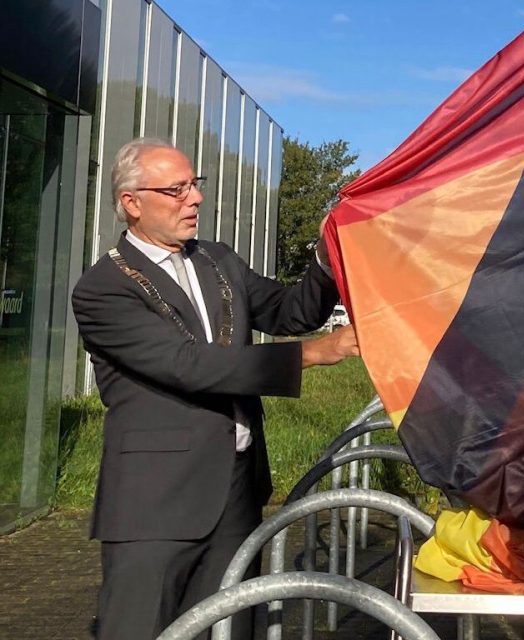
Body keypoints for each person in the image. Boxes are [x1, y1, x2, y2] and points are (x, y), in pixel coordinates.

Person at [72, 138, 359, 640]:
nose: (195, 198)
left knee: (230, 629)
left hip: (236, 492)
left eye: (194, 185)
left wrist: (326, 252)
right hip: (155, 503)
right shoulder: (104, 289)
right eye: (176, 189)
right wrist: (312, 353)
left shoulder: (217, 261)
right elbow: (187, 365)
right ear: (131, 203)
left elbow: (292, 312)